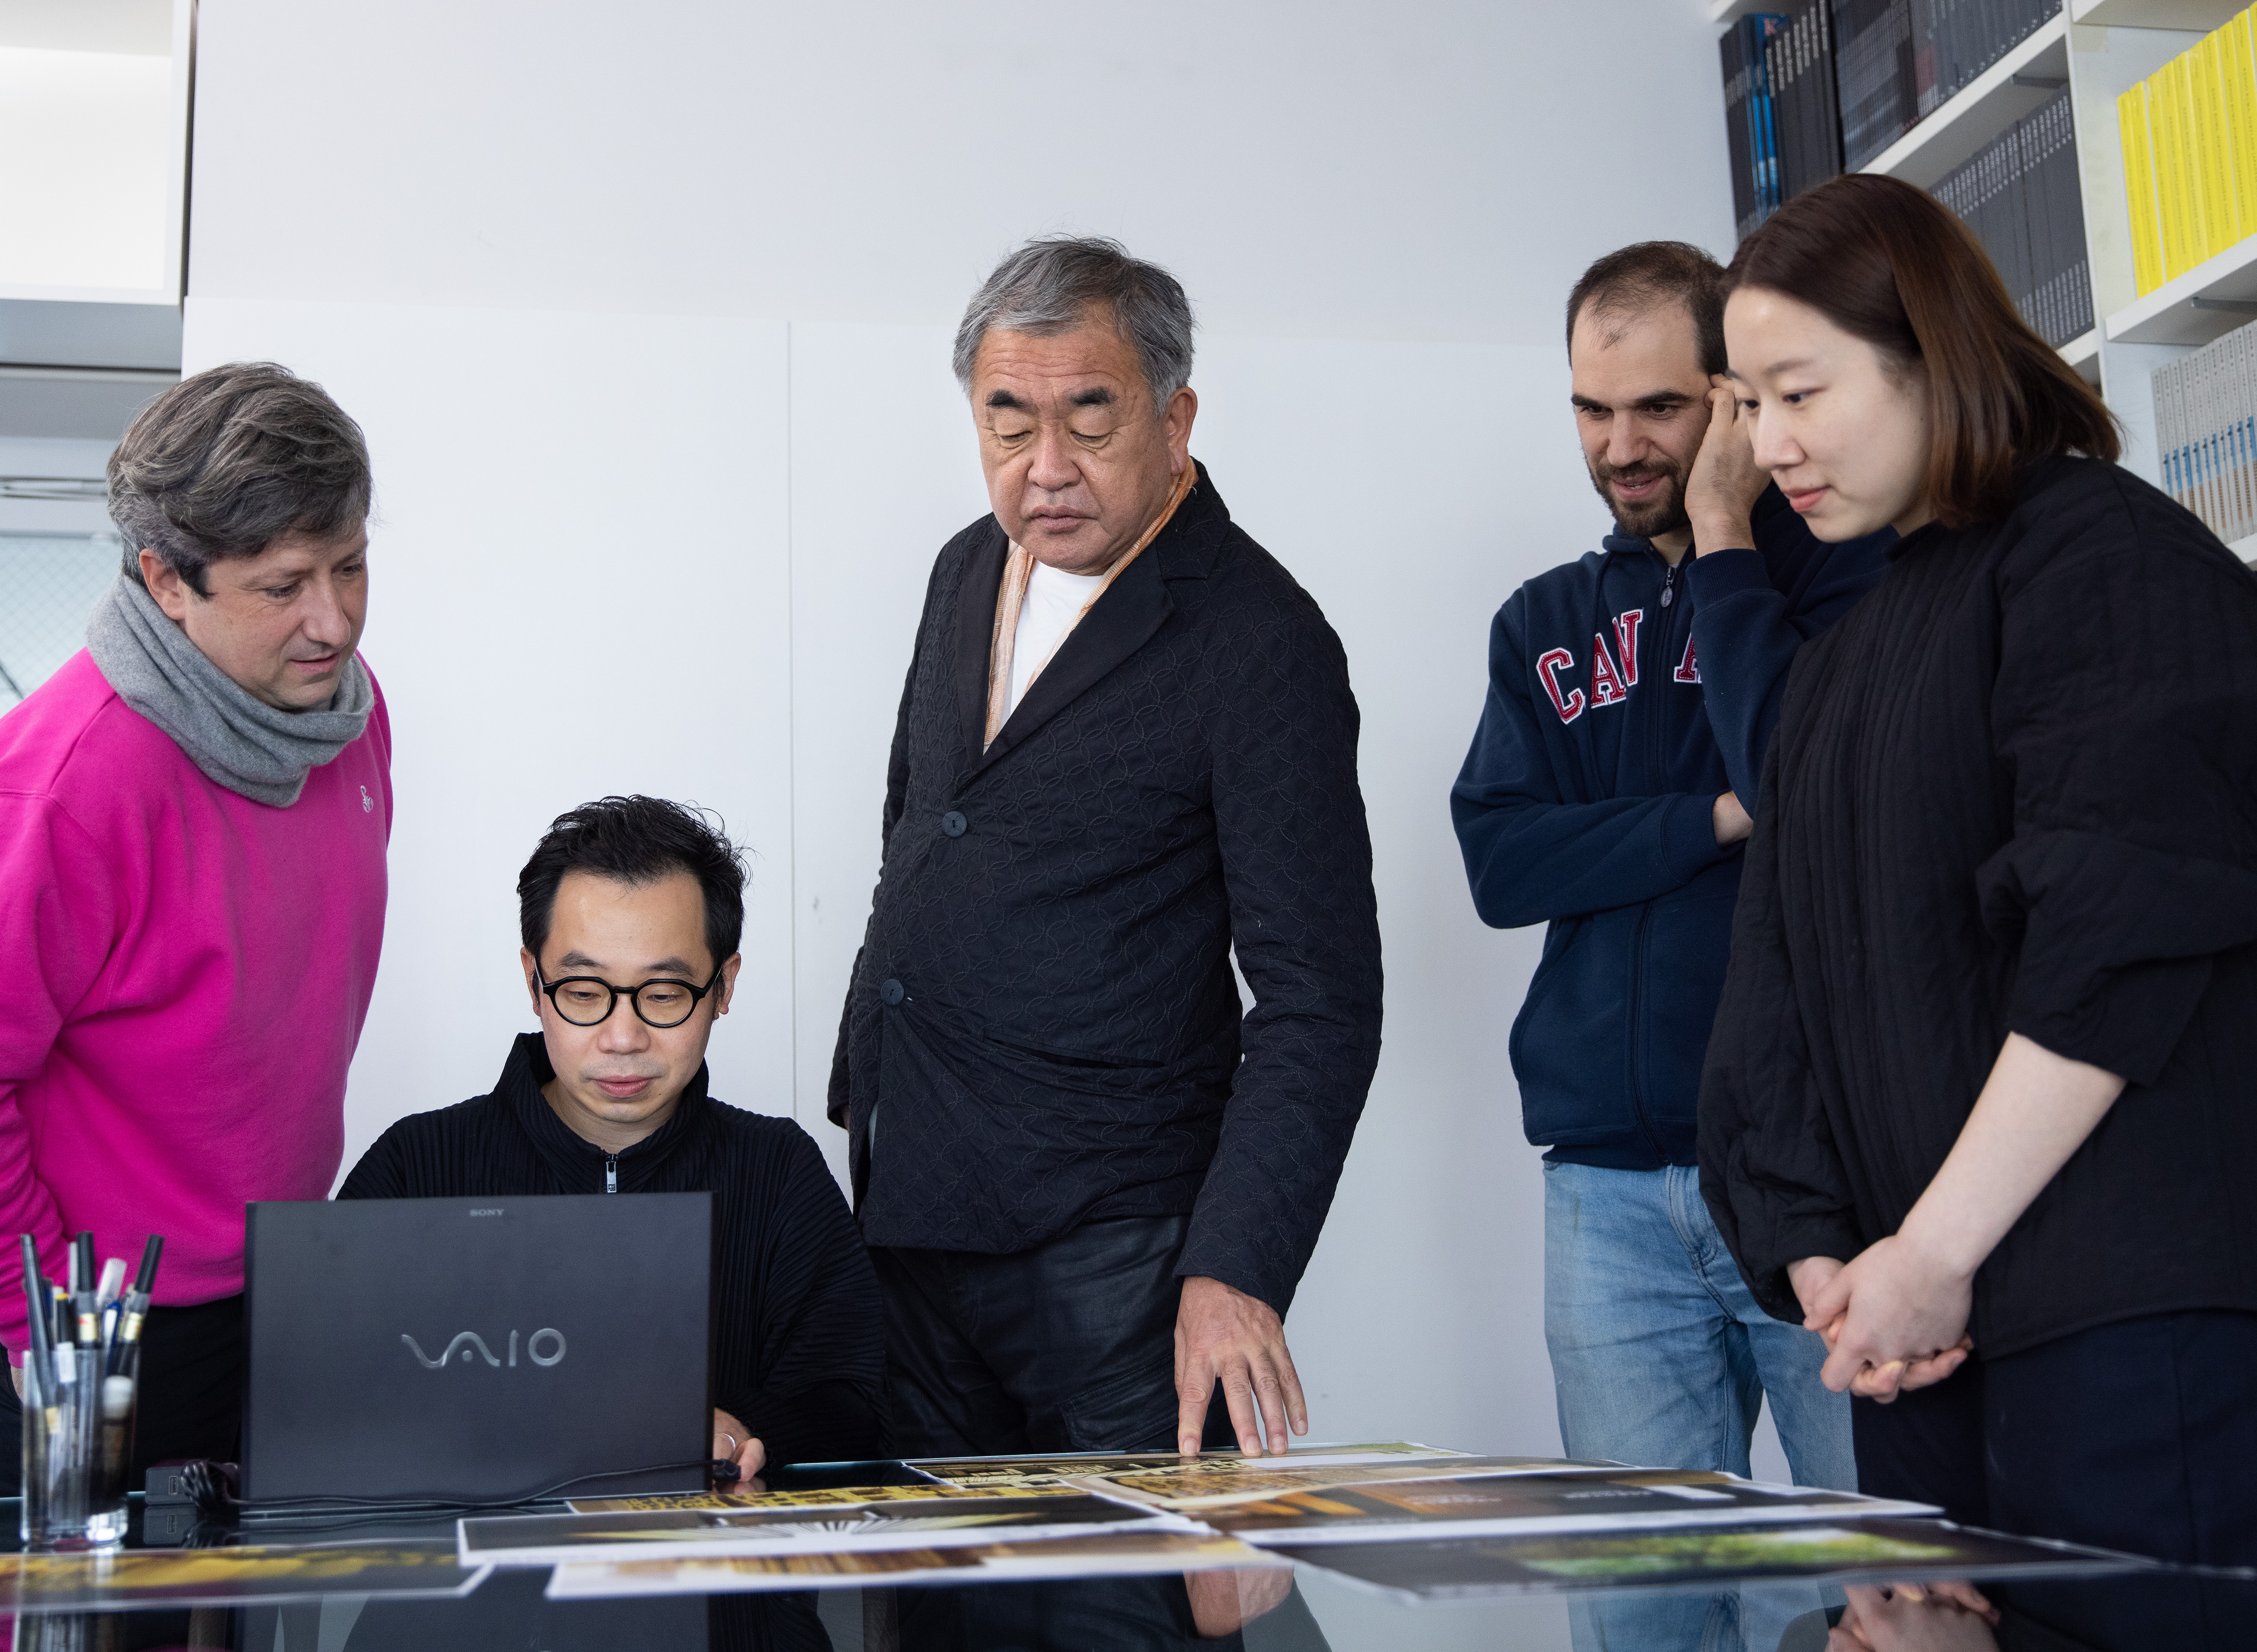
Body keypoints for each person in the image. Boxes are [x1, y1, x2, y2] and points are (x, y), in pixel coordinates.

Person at [1699, 174, 2257, 1632]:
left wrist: (1934, 1252)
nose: (1768, 445)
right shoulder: (1838, 661)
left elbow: (2117, 934)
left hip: (2127, 1327)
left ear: (1928, 354)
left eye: (1799, 391)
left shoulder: (2105, 555)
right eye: (1747, 405)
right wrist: (1834, 1270)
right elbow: (1775, 1005)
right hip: (1913, 1348)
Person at [831, 235, 1382, 1463]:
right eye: (1008, 420)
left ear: (1174, 420)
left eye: (1090, 416)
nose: (1047, 466)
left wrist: (1236, 1267)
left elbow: (1321, 1000)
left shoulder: (1263, 639)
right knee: (929, 1573)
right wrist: (870, 1077)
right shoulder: (965, 568)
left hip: (1119, 1260)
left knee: (1136, 1578)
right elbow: (918, 822)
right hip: (915, 1215)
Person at [0, 362, 391, 1498]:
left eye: (349, 565)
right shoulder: (62, 790)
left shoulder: (345, 715)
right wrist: (48, 1323)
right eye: (283, 584)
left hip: (246, 1288)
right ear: (165, 579)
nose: (332, 620)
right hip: (64, 1319)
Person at [1451, 242, 1888, 1652]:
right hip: (1606, 1194)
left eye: (1656, 407)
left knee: (1871, 1589)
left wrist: (1723, 538)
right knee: (1642, 1613)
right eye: (1591, 409)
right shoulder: (1542, 623)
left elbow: (1827, 792)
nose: (1620, 445)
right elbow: (1501, 863)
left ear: (1731, 396)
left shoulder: (1832, 582)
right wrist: (1711, 816)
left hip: (1822, 1171)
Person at [342, 796, 882, 1474]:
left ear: (723, 986)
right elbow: (325, 1403)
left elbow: (856, 1406)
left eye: (663, 994)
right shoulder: (415, 1169)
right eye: (583, 991)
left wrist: (743, 1432)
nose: (623, 1038)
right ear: (534, 982)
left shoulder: (780, 1175)